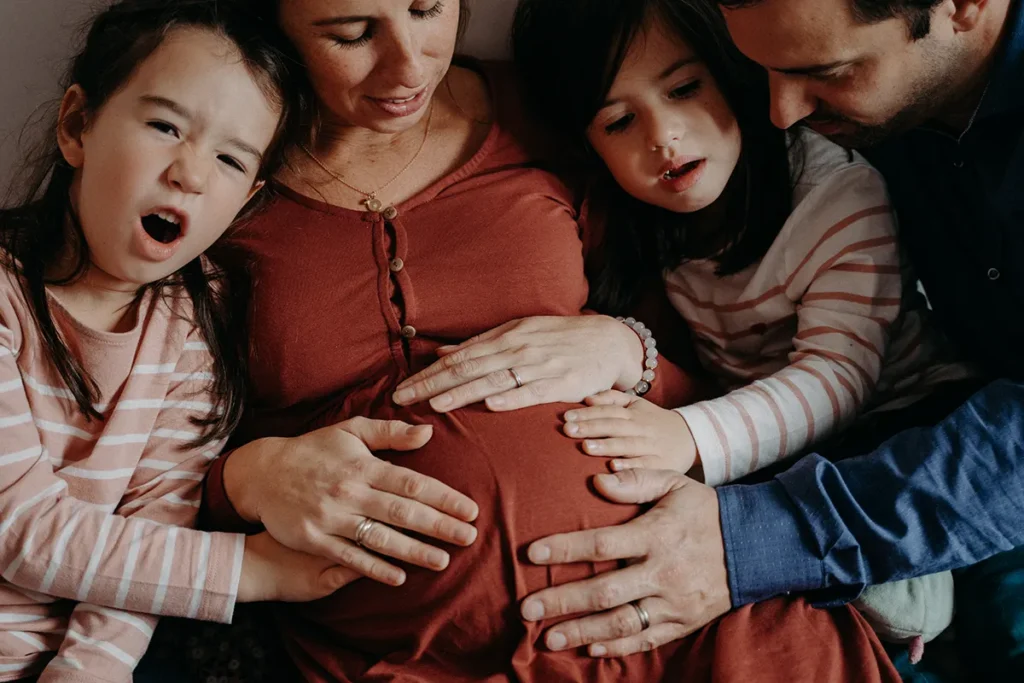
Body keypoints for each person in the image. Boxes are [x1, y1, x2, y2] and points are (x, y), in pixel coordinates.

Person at [195, 0, 901, 680]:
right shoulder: (208, 174)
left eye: (427, 8)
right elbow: (124, 450)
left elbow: (715, 365)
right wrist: (246, 481)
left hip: (685, 611)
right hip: (420, 657)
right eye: (351, 33)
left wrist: (630, 353)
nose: (409, 64)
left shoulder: (559, 108)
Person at [437, 0, 1020, 679]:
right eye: (619, 121)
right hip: (786, 443)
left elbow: (838, 380)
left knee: (983, 616)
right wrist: (628, 349)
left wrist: (703, 458)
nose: (779, 109)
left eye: (822, 71)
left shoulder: (834, 190)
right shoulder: (656, 211)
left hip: (908, 421)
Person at [0, 1, 359, 680]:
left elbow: (158, 516)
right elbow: (21, 530)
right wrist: (249, 571)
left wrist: (87, 669)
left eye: (229, 159)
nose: (190, 173)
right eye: (165, 126)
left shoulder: (194, 318)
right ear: (77, 125)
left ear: (246, 202)